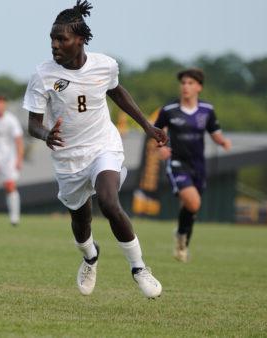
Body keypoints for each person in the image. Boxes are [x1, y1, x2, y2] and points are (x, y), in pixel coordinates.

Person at [24, 0, 168, 298]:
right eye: (52, 38)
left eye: (61, 39)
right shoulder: (43, 75)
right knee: (80, 220)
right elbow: (32, 124)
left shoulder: (105, 65)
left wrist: (146, 125)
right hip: (68, 158)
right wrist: (45, 134)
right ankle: (90, 257)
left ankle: (139, 267)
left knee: (109, 201)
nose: (54, 45)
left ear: (80, 39)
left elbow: (118, 92)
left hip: (103, 146)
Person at [154, 68, 232, 262]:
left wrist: (222, 142)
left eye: (190, 83)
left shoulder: (207, 110)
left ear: (199, 87)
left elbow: (214, 132)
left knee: (192, 207)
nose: (185, 87)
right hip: (177, 162)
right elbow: (156, 132)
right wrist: (160, 147)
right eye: (183, 83)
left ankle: (181, 241)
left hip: (198, 165)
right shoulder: (169, 110)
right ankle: (181, 238)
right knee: (193, 202)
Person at [0, 96, 24, 226]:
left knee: (10, 186)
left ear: (5, 106)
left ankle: (14, 218)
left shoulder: (11, 119)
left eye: (1, 104)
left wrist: (19, 159)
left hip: (8, 158)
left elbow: (18, 141)